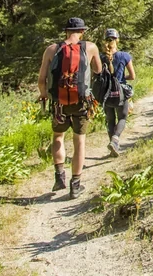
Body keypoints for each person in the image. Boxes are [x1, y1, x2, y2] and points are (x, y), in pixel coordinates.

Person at [38, 17, 102, 198]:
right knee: (79, 140)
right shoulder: (90, 47)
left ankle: (59, 176)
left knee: (58, 136)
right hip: (82, 101)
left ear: (66, 31)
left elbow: (41, 80)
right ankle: (75, 185)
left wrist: (44, 95)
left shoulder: (51, 49)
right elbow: (98, 70)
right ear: (82, 31)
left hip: (58, 103)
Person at [100, 28, 136, 157]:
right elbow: (132, 76)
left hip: (106, 93)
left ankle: (112, 146)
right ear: (117, 40)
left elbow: (96, 74)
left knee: (110, 120)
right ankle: (115, 139)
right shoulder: (124, 56)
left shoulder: (100, 56)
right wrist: (121, 78)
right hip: (120, 92)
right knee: (122, 118)